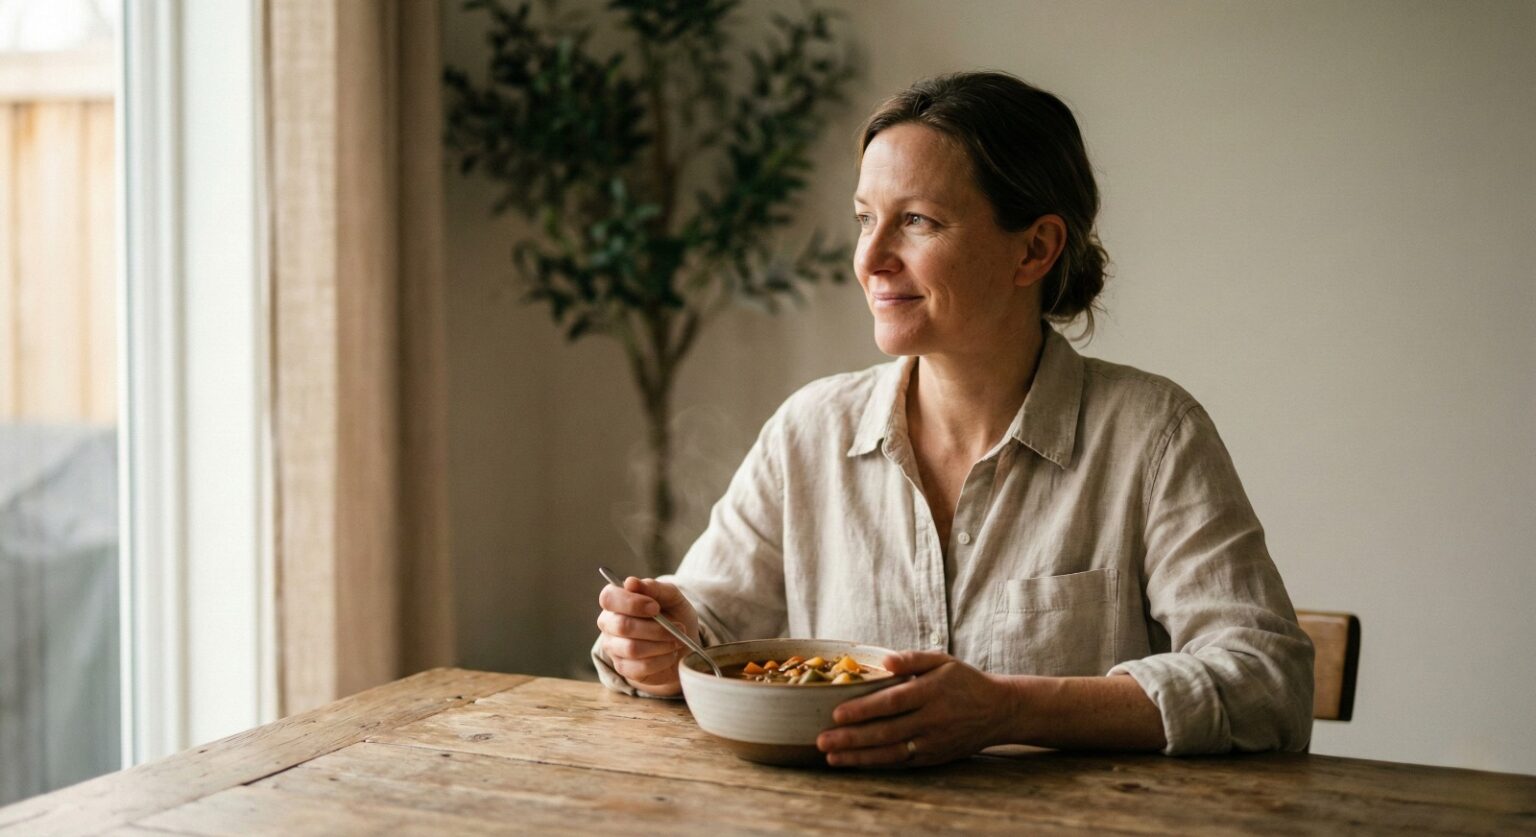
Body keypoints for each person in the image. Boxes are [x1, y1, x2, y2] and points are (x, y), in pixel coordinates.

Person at [594, 71, 1313, 766]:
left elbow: (1268, 684)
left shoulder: (1154, 434)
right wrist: (659, 644)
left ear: (1034, 248)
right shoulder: (808, 430)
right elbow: (702, 631)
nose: (871, 259)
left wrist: (1011, 709)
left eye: (917, 221)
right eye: (865, 219)